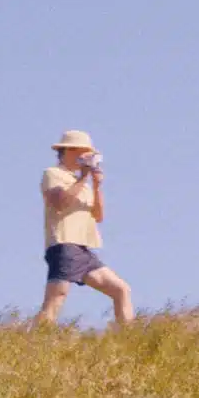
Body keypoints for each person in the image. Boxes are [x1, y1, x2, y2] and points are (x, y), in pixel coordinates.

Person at [37, 129, 134, 325]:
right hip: (64, 244)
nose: (86, 157)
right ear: (68, 151)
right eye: (82, 152)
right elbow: (60, 202)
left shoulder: (83, 184)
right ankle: (35, 336)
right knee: (56, 298)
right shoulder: (53, 174)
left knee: (121, 290)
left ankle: (128, 336)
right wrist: (83, 178)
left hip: (83, 248)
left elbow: (98, 216)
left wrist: (96, 186)